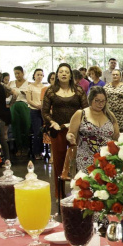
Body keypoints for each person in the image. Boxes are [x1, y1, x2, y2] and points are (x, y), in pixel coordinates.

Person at [43, 64, 88, 198]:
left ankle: (81, 192)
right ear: (57, 75)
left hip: (77, 131)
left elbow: (86, 110)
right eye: (61, 72)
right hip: (58, 131)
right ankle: (60, 195)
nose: (63, 74)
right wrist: (52, 122)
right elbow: (44, 111)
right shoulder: (50, 90)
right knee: (59, 163)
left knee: (79, 161)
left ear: (70, 75)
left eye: (66, 72)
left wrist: (76, 123)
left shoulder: (79, 90)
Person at [66, 86, 119, 173]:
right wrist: (70, 137)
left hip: (107, 156)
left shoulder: (110, 115)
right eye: (97, 100)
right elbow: (71, 133)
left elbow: (116, 135)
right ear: (90, 100)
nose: (100, 104)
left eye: (103, 101)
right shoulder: (81, 114)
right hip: (86, 156)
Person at [8, 66, 32, 156]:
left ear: (23, 73)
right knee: (15, 127)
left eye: (18, 73)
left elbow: (32, 96)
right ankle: (19, 148)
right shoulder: (11, 83)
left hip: (25, 105)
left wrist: (25, 93)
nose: (17, 75)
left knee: (26, 126)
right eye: (15, 74)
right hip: (14, 105)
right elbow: (7, 94)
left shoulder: (29, 83)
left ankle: (26, 147)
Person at [26, 69, 45, 160]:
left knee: (42, 132)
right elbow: (29, 100)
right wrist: (37, 106)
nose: (39, 76)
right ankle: (36, 152)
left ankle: (41, 151)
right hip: (34, 110)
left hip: (43, 111)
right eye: (38, 74)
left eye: (41, 75)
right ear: (34, 75)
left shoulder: (44, 87)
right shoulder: (30, 86)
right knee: (37, 131)